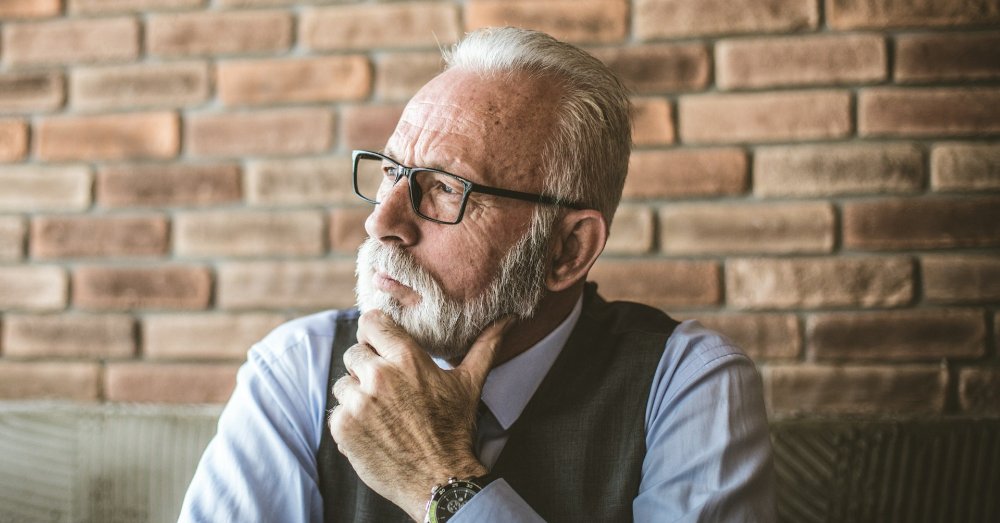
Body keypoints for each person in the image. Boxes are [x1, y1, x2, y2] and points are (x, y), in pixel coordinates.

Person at [179, 27, 774, 522]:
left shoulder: (687, 383)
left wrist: (439, 480)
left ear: (567, 250)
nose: (382, 223)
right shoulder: (297, 370)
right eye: (391, 172)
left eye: (444, 189)